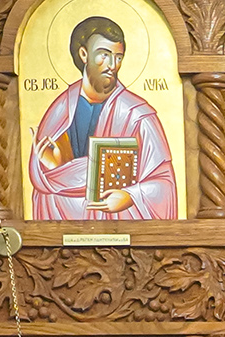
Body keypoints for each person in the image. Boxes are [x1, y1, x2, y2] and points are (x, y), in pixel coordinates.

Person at [28, 13, 179, 219]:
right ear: (84, 54)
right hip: (62, 225)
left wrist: (130, 196)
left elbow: (163, 183)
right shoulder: (59, 111)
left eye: (118, 57)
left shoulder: (137, 115)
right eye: (104, 55)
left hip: (120, 228)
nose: (112, 65)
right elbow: (43, 182)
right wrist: (54, 170)